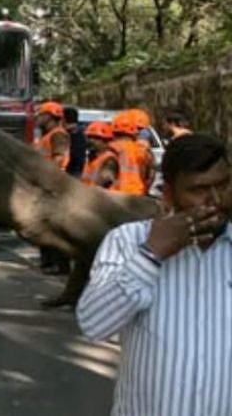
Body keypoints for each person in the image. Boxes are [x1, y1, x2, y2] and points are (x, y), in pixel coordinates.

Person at [76, 133, 231, 416]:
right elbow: (93, 324)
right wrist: (150, 254)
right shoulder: (126, 241)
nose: (216, 200)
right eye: (199, 190)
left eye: (223, 184)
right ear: (169, 193)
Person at [35, 102, 72, 274]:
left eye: (41, 115)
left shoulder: (58, 135)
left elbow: (59, 159)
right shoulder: (47, 135)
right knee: (45, 225)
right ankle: (48, 262)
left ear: (50, 117)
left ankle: (59, 264)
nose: (38, 118)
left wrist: (47, 180)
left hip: (54, 186)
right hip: (45, 184)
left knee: (55, 227)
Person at [110, 112, 152, 196]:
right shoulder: (143, 150)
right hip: (137, 194)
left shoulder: (111, 149)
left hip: (115, 196)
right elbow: (150, 175)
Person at [82, 122, 120, 190]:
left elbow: (104, 183)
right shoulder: (92, 156)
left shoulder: (109, 160)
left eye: (96, 138)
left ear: (106, 140)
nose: (91, 141)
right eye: (89, 137)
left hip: (101, 198)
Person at [64, 106, 88, 178]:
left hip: (72, 173)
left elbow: (73, 156)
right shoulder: (83, 133)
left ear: (63, 119)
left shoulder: (72, 134)